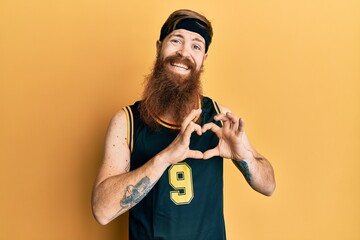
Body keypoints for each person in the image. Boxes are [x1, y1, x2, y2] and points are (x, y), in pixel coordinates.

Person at [91, 9, 276, 240]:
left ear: (203, 60)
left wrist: (244, 156)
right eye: (176, 40)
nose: (184, 53)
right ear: (159, 48)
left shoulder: (220, 118)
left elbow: (268, 186)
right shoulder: (126, 121)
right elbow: (102, 211)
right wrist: (165, 157)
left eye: (196, 46)